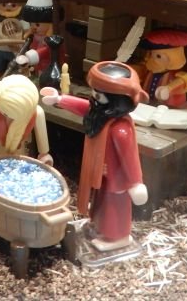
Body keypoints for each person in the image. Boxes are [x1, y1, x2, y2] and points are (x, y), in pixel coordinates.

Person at [41, 61, 148, 251]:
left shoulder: (120, 130)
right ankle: (100, 226)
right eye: (94, 94)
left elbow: (129, 157)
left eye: (98, 96)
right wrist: (59, 99)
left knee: (114, 206)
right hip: (100, 172)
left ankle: (118, 236)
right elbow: (84, 107)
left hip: (116, 178)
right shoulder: (101, 113)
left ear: (116, 100)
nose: (93, 99)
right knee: (100, 202)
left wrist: (135, 182)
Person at [0, 74, 51, 163]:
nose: (12, 118)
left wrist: (44, 154)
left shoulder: (36, 113)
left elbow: (43, 151)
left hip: (18, 155)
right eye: (6, 113)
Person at [132, 29, 187, 108]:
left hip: (168, 108)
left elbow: (182, 82)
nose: (147, 58)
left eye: (158, 56)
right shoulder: (150, 71)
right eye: (149, 54)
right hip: (147, 104)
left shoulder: (176, 75)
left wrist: (168, 88)